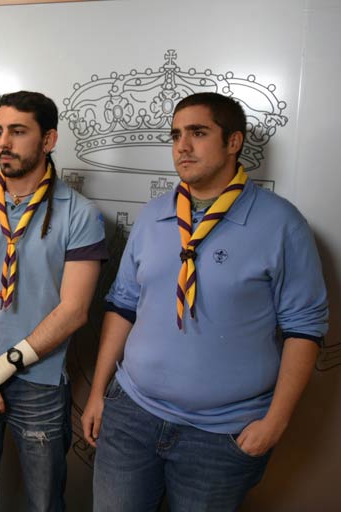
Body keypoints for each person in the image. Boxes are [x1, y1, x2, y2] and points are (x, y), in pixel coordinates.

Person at [82, 92, 329, 511]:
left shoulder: (280, 223)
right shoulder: (153, 215)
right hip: (133, 415)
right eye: (176, 134)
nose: (183, 145)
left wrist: (276, 421)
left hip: (220, 434)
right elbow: (123, 305)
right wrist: (98, 393)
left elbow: (304, 328)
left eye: (198, 133)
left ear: (234, 142)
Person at [0, 90, 108, 511]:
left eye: (18, 131)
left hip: (39, 383)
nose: (4, 143)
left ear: (48, 140)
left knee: (43, 503)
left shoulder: (79, 214)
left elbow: (74, 311)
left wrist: (6, 364)